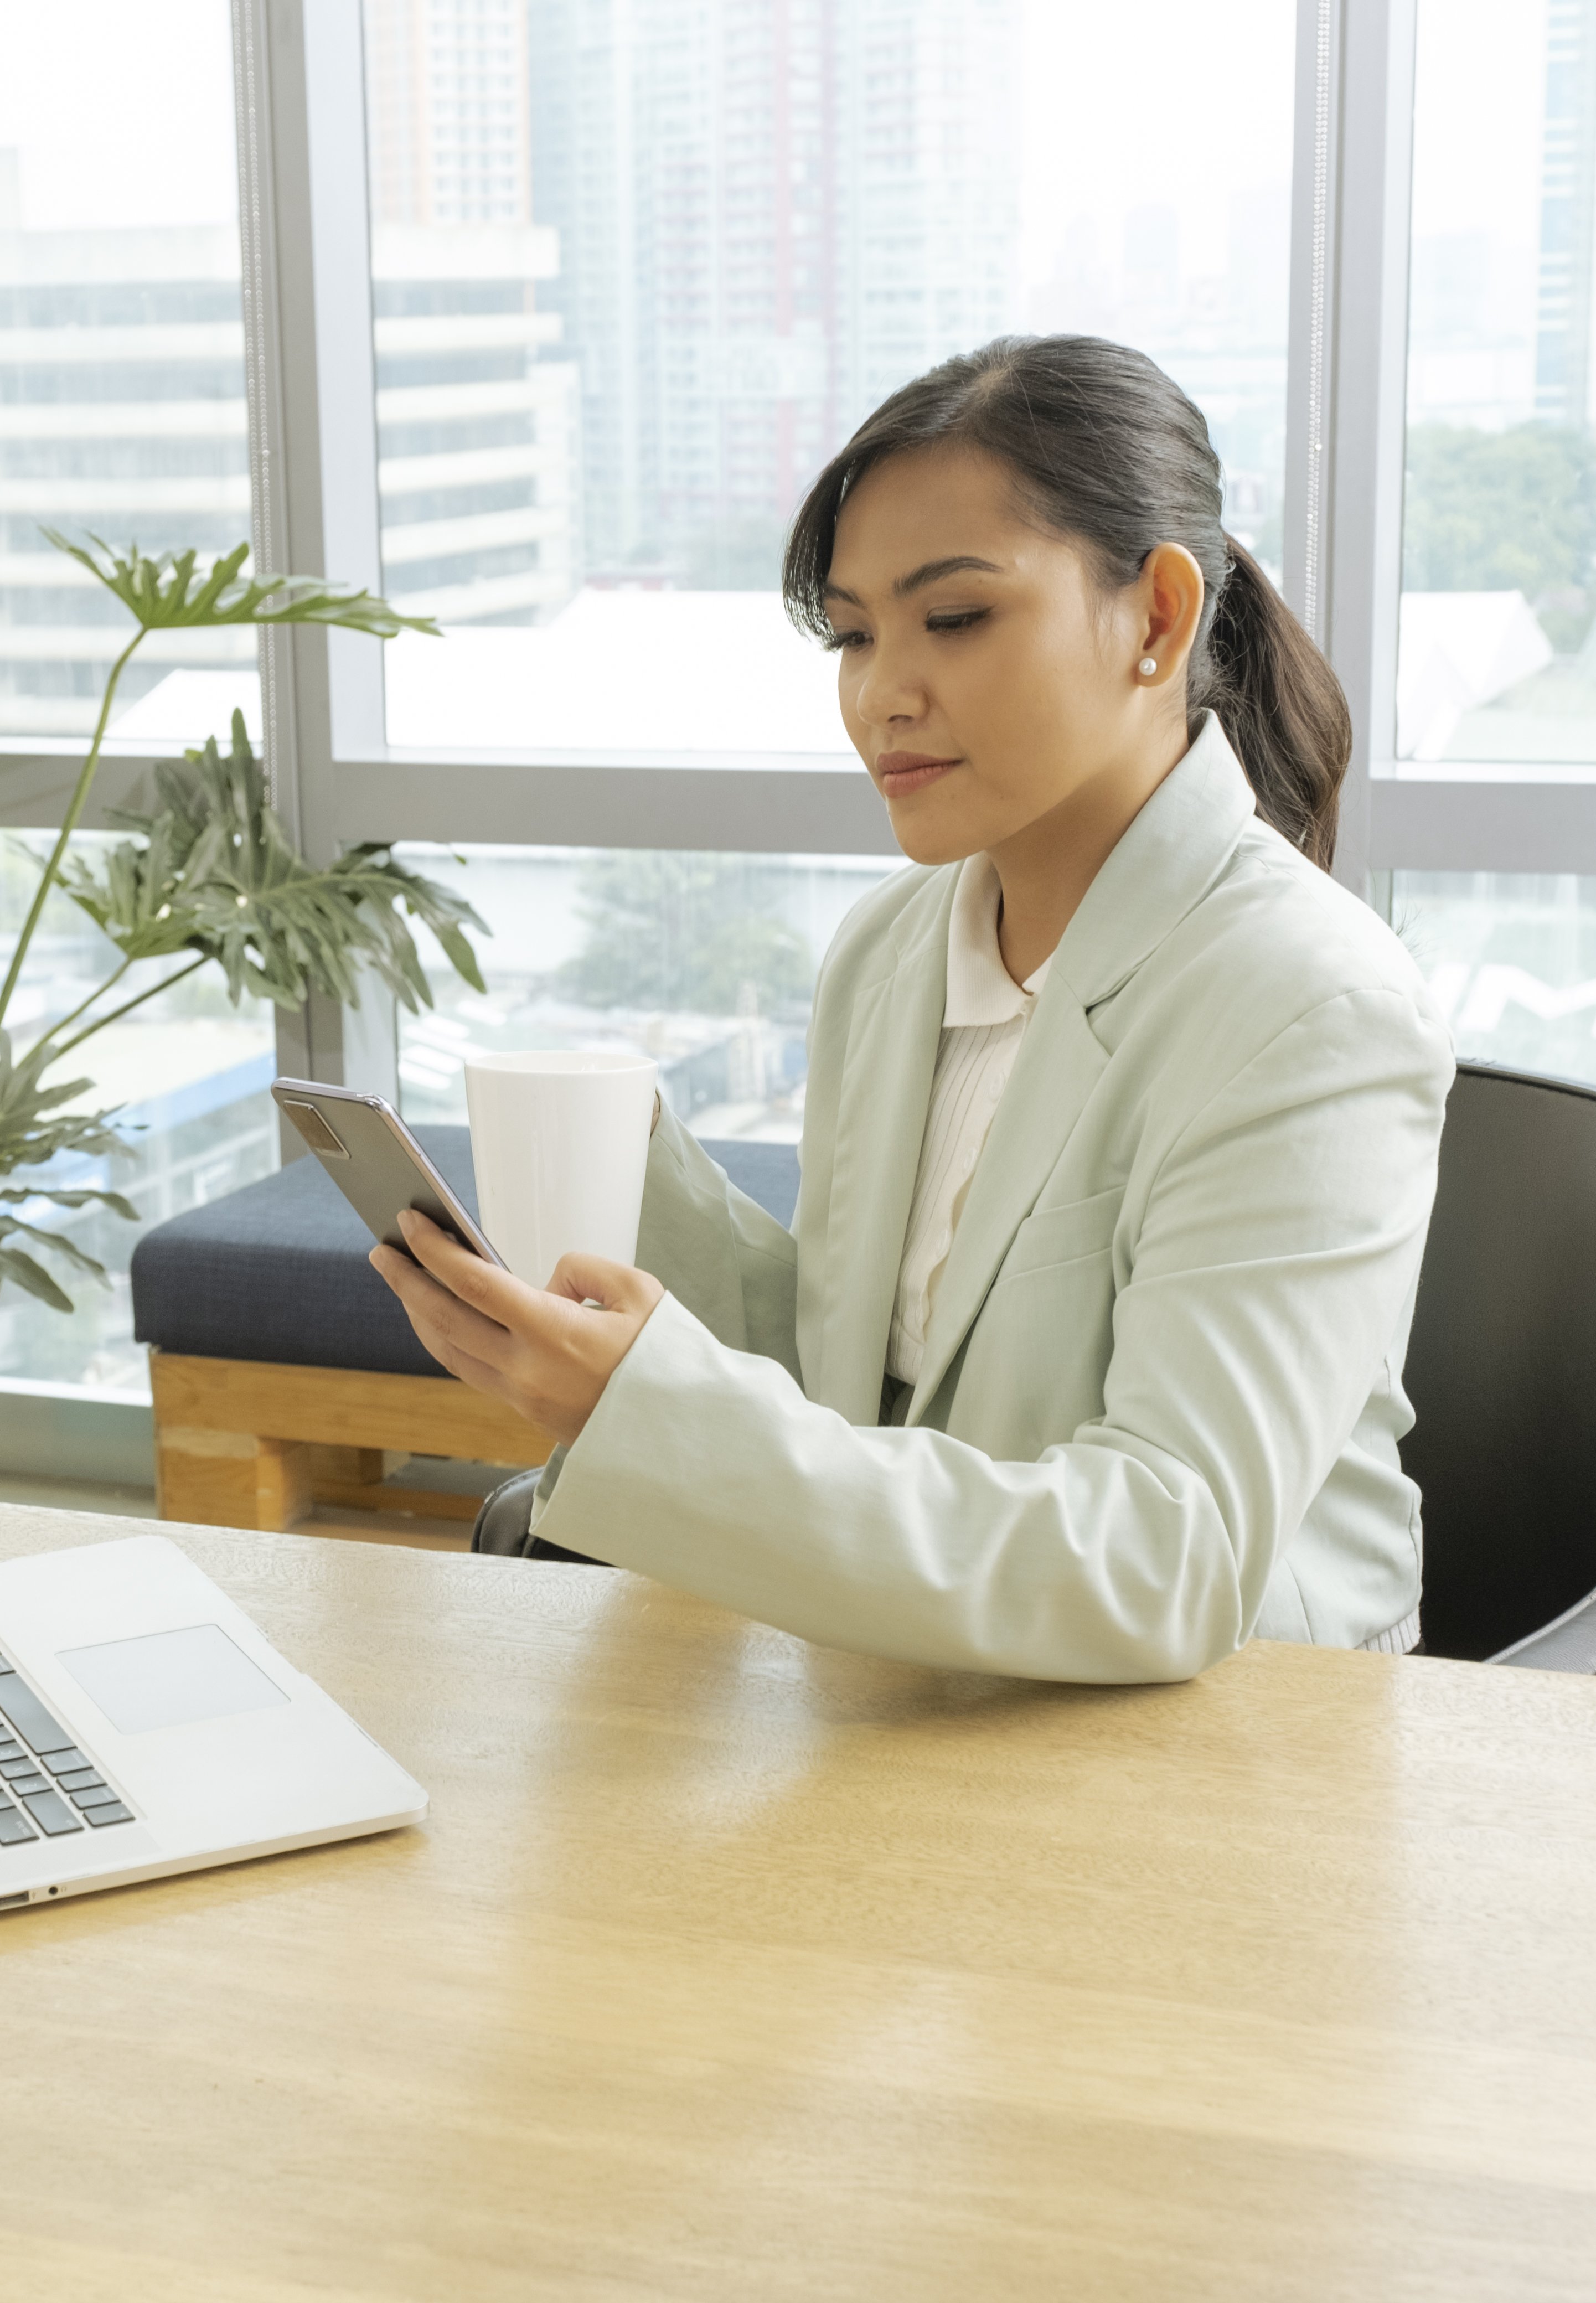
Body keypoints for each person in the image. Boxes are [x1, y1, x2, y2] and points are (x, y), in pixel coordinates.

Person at [369, 335, 1454, 1682]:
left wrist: (650, 1409)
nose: (884, 693)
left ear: (1160, 620)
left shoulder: (1310, 1001)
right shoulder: (892, 951)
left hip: (1239, 1727)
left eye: (954, 619)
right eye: (854, 634)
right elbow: (866, 1378)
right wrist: (614, 1233)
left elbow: (1165, 1557)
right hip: (927, 1675)